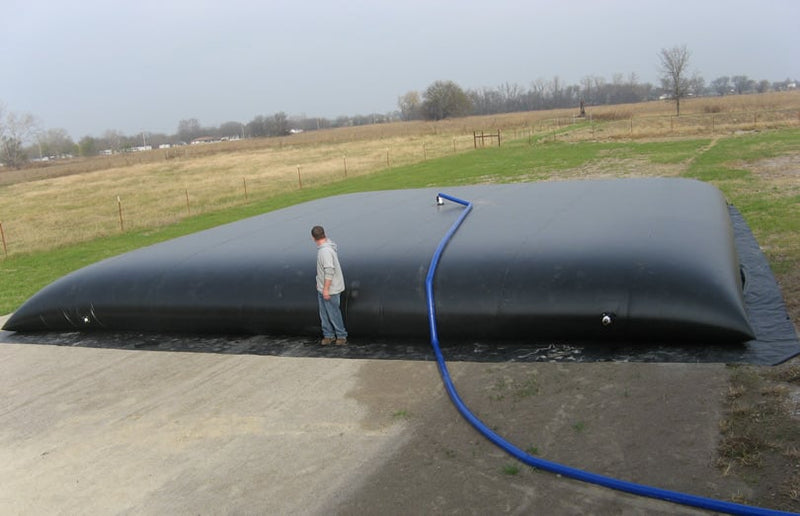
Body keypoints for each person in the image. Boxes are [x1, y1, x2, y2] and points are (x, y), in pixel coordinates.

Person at [311, 225, 347, 345]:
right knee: (324, 313)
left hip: (331, 289)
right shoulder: (326, 247)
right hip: (323, 288)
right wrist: (319, 282)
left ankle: (341, 336)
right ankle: (329, 335)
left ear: (313, 238)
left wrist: (326, 289)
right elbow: (322, 270)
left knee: (333, 313)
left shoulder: (324, 251)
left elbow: (329, 270)